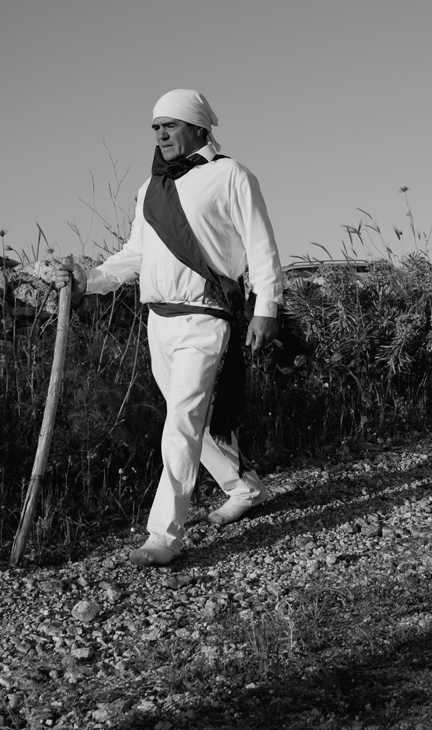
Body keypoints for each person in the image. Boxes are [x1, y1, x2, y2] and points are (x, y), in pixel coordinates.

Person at [57, 89, 284, 565]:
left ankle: (163, 536)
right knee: (187, 420)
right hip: (158, 319)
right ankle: (243, 488)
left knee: (181, 422)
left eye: (171, 125)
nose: (160, 134)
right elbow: (135, 253)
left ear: (199, 128)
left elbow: (261, 244)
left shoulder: (230, 175)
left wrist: (267, 306)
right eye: (155, 126)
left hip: (206, 316)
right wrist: (91, 281)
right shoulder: (149, 188)